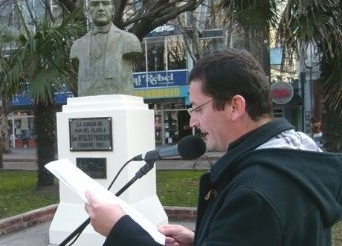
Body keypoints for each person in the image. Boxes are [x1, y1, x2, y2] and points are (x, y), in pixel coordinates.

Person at [84, 49, 342, 245]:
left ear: (235, 106)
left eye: (197, 108)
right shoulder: (294, 159)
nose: (193, 122)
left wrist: (119, 229)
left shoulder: (256, 190)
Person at [70, 0, 142, 96]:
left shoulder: (129, 41)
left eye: (105, 3)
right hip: (87, 101)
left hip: (119, 102)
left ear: (112, 10)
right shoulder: (77, 46)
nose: (100, 8)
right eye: (95, 4)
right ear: (89, 10)